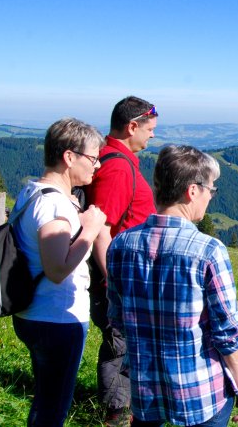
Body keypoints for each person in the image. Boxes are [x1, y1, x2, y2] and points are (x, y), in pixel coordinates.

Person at [106, 145, 238, 426]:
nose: (211, 196)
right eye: (211, 189)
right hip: (200, 393)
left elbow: (117, 319)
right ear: (193, 191)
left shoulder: (121, 245)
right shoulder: (209, 250)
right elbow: (229, 334)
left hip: (144, 388)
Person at [12, 118, 108, 426]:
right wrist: (90, 232)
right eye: (93, 158)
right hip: (56, 320)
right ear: (69, 157)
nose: (97, 166)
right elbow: (57, 269)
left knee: (45, 401)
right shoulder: (55, 206)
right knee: (52, 411)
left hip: (33, 312)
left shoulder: (33, 192)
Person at [84, 96, 158, 426]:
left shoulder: (117, 159)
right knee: (121, 350)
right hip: (119, 284)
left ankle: (122, 411)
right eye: (150, 129)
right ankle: (116, 416)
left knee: (126, 350)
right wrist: (116, 284)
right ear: (132, 126)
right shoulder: (117, 166)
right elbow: (102, 231)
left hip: (124, 280)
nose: (153, 135)